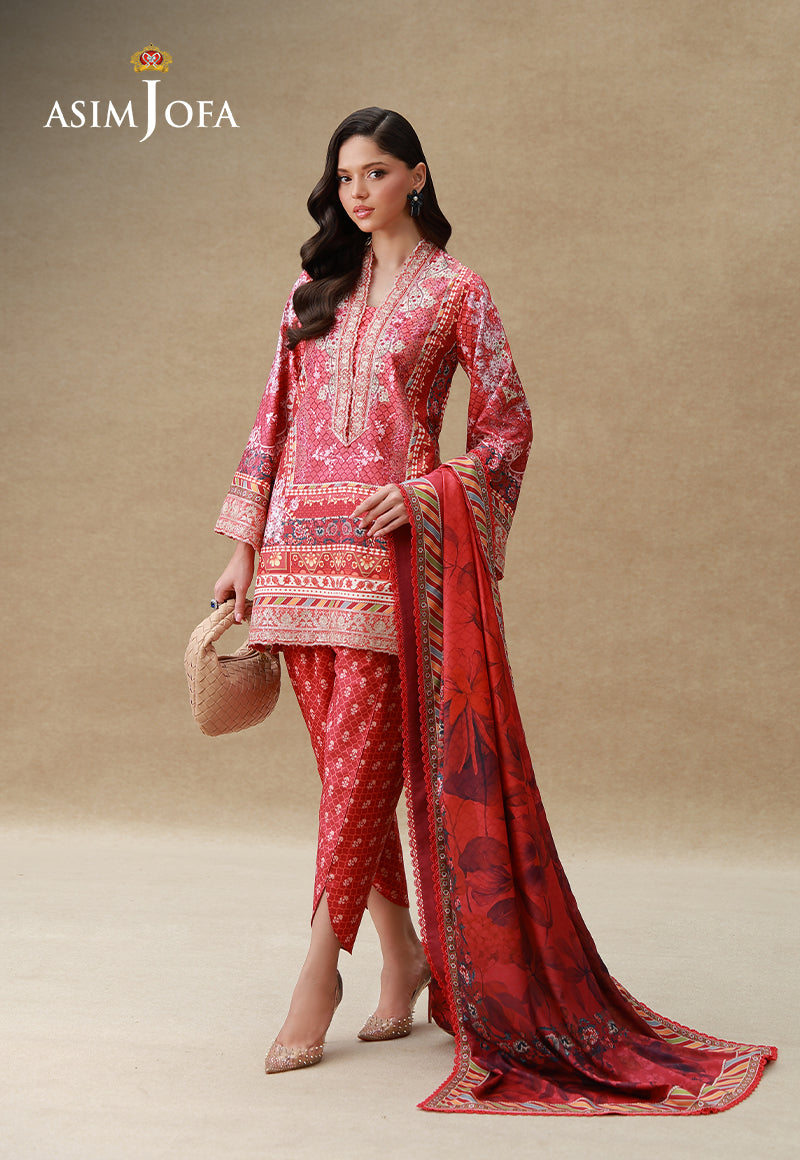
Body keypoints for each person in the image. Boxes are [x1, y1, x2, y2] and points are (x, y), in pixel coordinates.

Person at [213, 108, 775, 1112]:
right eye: (344, 176)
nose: (357, 192)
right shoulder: (313, 287)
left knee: (359, 771)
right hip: (296, 556)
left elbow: (508, 424)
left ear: (417, 176)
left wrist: (428, 494)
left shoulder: (456, 291)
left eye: (376, 173)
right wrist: (241, 551)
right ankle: (401, 956)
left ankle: (318, 971)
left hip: (386, 558)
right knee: (343, 776)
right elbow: (274, 418)